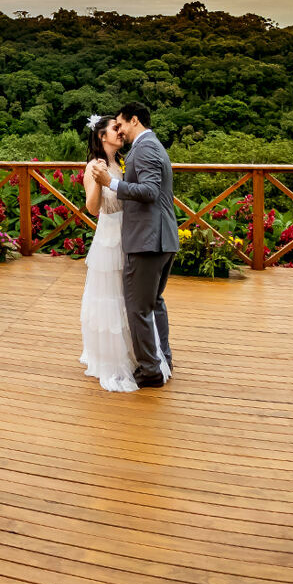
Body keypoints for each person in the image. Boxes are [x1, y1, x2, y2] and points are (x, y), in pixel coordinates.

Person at [90, 101, 176, 389]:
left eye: (121, 124)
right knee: (154, 302)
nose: (120, 130)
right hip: (158, 238)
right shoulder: (150, 146)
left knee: (138, 307)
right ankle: (162, 358)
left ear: (134, 120)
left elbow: (150, 191)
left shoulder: (145, 148)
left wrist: (111, 184)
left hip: (148, 241)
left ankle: (151, 370)